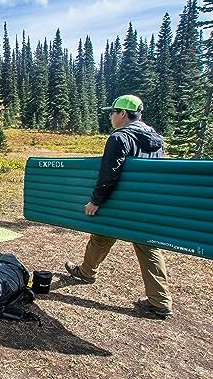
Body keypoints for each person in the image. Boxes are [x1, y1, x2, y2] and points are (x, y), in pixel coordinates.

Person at [65, 94, 173, 318]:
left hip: (119, 204)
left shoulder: (119, 138)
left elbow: (110, 173)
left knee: (102, 233)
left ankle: (87, 272)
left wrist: (96, 201)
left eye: (113, 112)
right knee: (143, 246)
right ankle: (159, 301)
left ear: (122, 114)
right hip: (146, 205)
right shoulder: (156, 140)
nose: (111, 117)